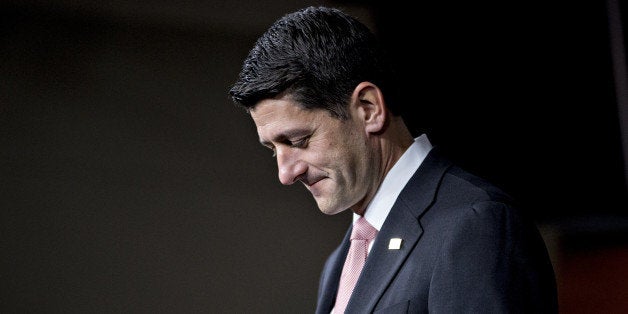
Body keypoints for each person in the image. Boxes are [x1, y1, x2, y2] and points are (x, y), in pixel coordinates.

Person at [228, 6, 558, 313]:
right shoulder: (339, 264)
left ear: (369, 109)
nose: (286, 173)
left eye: (298, 140)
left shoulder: (476, 225)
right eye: (273, 149)